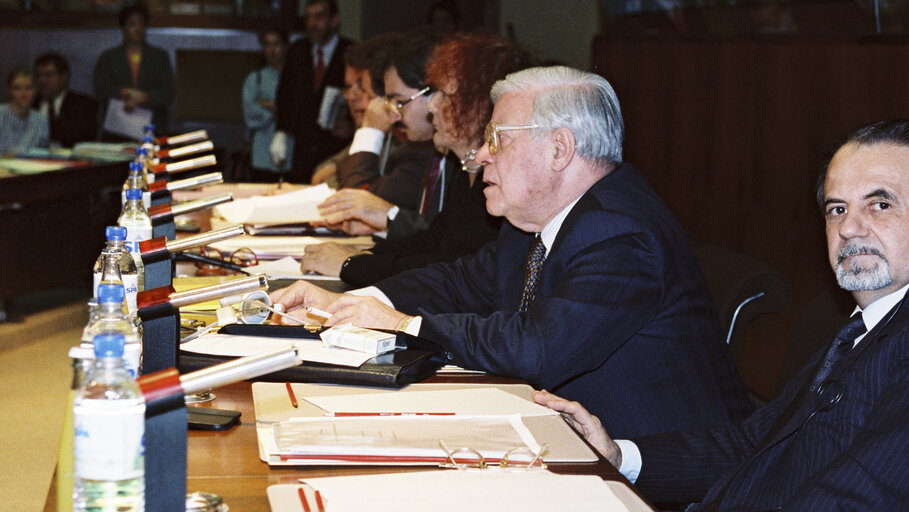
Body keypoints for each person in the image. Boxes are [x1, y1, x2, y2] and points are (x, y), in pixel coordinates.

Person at [272, 66, 753, 438]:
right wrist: (352, 302)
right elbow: (459, 281)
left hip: (646, 474)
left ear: (560, 149)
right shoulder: (539, 221)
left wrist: (401, 325)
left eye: (497, 139)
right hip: (563, 439)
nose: (480, 156)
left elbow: (539, 348)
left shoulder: (620, 231)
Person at [534, 119, 909, 510]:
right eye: (837, 209)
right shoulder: (855, 329)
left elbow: (857, 499)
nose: (848, 227)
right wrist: (617, 456)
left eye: (880, 204)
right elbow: (753, 445)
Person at [301, 33, 532, 287]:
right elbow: (431, 240)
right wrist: (360, 258)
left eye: (443, 94)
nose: (431, 106)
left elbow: (448, 266)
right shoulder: (465, 169)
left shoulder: (493, 179)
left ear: (476, 105)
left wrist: (352, 264)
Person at [315, 30, 443, 239]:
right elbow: (324, 174)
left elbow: (359, 201)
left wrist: (370, 132)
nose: (356, 98)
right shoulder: (414, 143)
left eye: (365, 91)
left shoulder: (418, 149)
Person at [271, 0, 352, 183]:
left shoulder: (350, 52)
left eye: (319, 16)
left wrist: (352, 126)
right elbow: (284, 95)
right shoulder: (297, 51)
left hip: (336, 148)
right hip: (302, 149)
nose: (312, 23)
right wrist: (282, 131)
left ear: (334, 20)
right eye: (308, 17)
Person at [311, 32, 402, 187]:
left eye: (362, 87)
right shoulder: (369, 129)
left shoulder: (401, 138)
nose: (352, 97)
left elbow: (357, 191)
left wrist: (339, 172)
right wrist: (340, 169)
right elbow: (321, 171)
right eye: (348, 87)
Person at [93, 3, 174, 134]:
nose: (138, 28)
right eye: (132, 24)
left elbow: (168, 92)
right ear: (123, 27)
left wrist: (143, 97)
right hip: (117, 126)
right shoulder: (109, 57)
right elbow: (100, 89)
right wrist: (125, 93)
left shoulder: (159, 56)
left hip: (152, 125)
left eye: (142, 24)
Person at [242, 27, 293, 182]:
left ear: (285, 46)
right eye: (267, 45)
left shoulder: (294, 77)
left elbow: (296, 109)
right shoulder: (255, 78)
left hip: (289, 152)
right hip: (261, 153)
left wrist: (268, 104)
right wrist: (276, 110)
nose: (271, 50)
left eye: (276, 44)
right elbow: (249, 112)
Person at [32, 53, 98, 147]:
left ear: (64, 77)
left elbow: (84, 140)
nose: (43, 80)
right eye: (38, 75)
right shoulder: (29, 104)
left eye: (49, 75)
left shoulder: (84, 105)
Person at [0, 68, 48, 154]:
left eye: (28, 88)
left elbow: (43, 152)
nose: (23, 93)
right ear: (9, 91)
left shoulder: (41, 120)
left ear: (36, 90)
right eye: (17, 88)